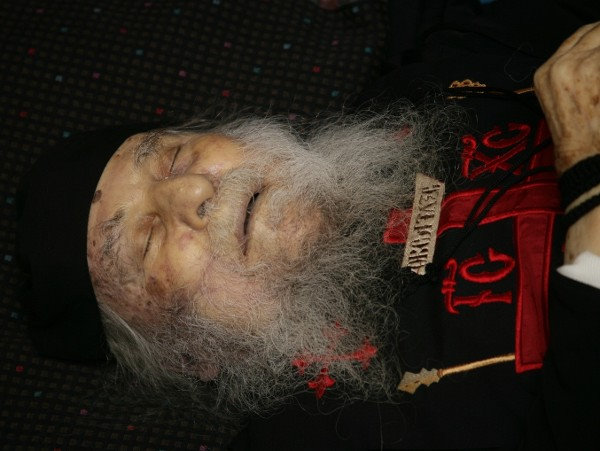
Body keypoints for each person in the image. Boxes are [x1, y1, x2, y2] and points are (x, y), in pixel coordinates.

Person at [17, 14, 600, 451]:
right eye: (145, 243)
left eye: (172, 158)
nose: (191, 192)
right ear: (183, 356)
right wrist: (586, 171)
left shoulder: (417, 91)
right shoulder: (319, 438)